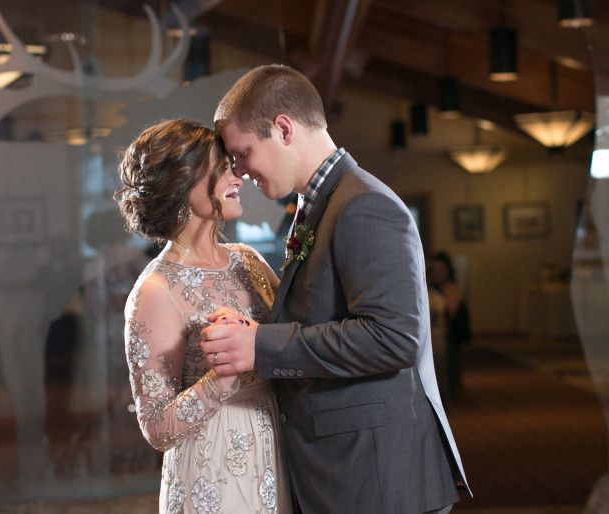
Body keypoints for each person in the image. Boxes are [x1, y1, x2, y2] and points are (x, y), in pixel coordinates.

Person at [200, 64, 470, 513]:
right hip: (351, 469)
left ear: (284, 129)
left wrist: (261, 346)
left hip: (378, 479)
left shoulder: (363, 205)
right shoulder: (320, 202)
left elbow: (393, 338)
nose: (240, 171)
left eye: (243, 153)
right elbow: (323, 316)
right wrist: (257, 330)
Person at [114, 119, 291, 513]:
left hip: (278, 449)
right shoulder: (155, 292)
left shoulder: (249, 261)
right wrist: (226, 374)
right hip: (214, 469)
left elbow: (290, 340)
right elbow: (157, 428)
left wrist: (255, 339)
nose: (238, 176)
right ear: (181, 183)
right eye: (223, 167)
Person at [429, 252, 472, 398]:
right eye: (435, 270)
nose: (437, 273)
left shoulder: (451, 289)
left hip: (446, 336)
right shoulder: (429, 289)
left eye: (441, 270)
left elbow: (452, 314)